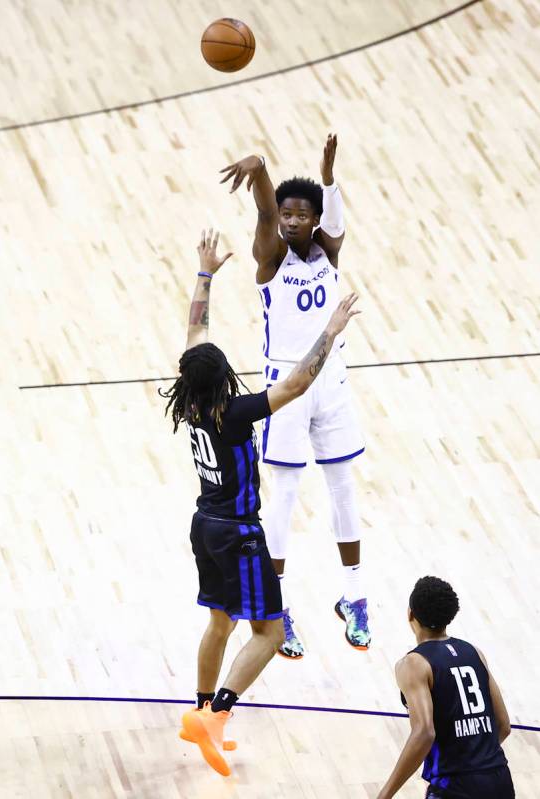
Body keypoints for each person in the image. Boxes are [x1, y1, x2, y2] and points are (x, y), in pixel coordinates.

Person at [160, 228, 361, 777]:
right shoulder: (233, 412)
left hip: (204, 524)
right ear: (222, 376)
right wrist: (331, 330)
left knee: (219, 623)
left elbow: (195, 329)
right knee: (269, 632)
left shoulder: (196, 403)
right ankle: (217, 716)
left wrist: (205, 273)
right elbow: (296, 384)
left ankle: (199, 712)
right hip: (238, 532)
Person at [220, 134, 369, 658]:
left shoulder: (327, 251)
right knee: (282, 498)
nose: (290, 221)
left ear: (314, 219)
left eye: (301, 215)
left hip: (331, 379)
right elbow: (262, 210)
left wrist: (328, 177)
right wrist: (260, 167)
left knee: (342, 487)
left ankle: (354, 597)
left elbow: (336, 226)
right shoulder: (269, 258)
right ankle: (276, 609)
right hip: (286, 386)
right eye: (286, 214)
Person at [377, 576, 514, 799]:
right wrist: (475, 758)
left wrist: (384, 795)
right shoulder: (474, 652)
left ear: (410, 613)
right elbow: (503, 725)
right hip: (499, 780)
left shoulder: (413, 664)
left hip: (454, 785)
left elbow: (424, 733)